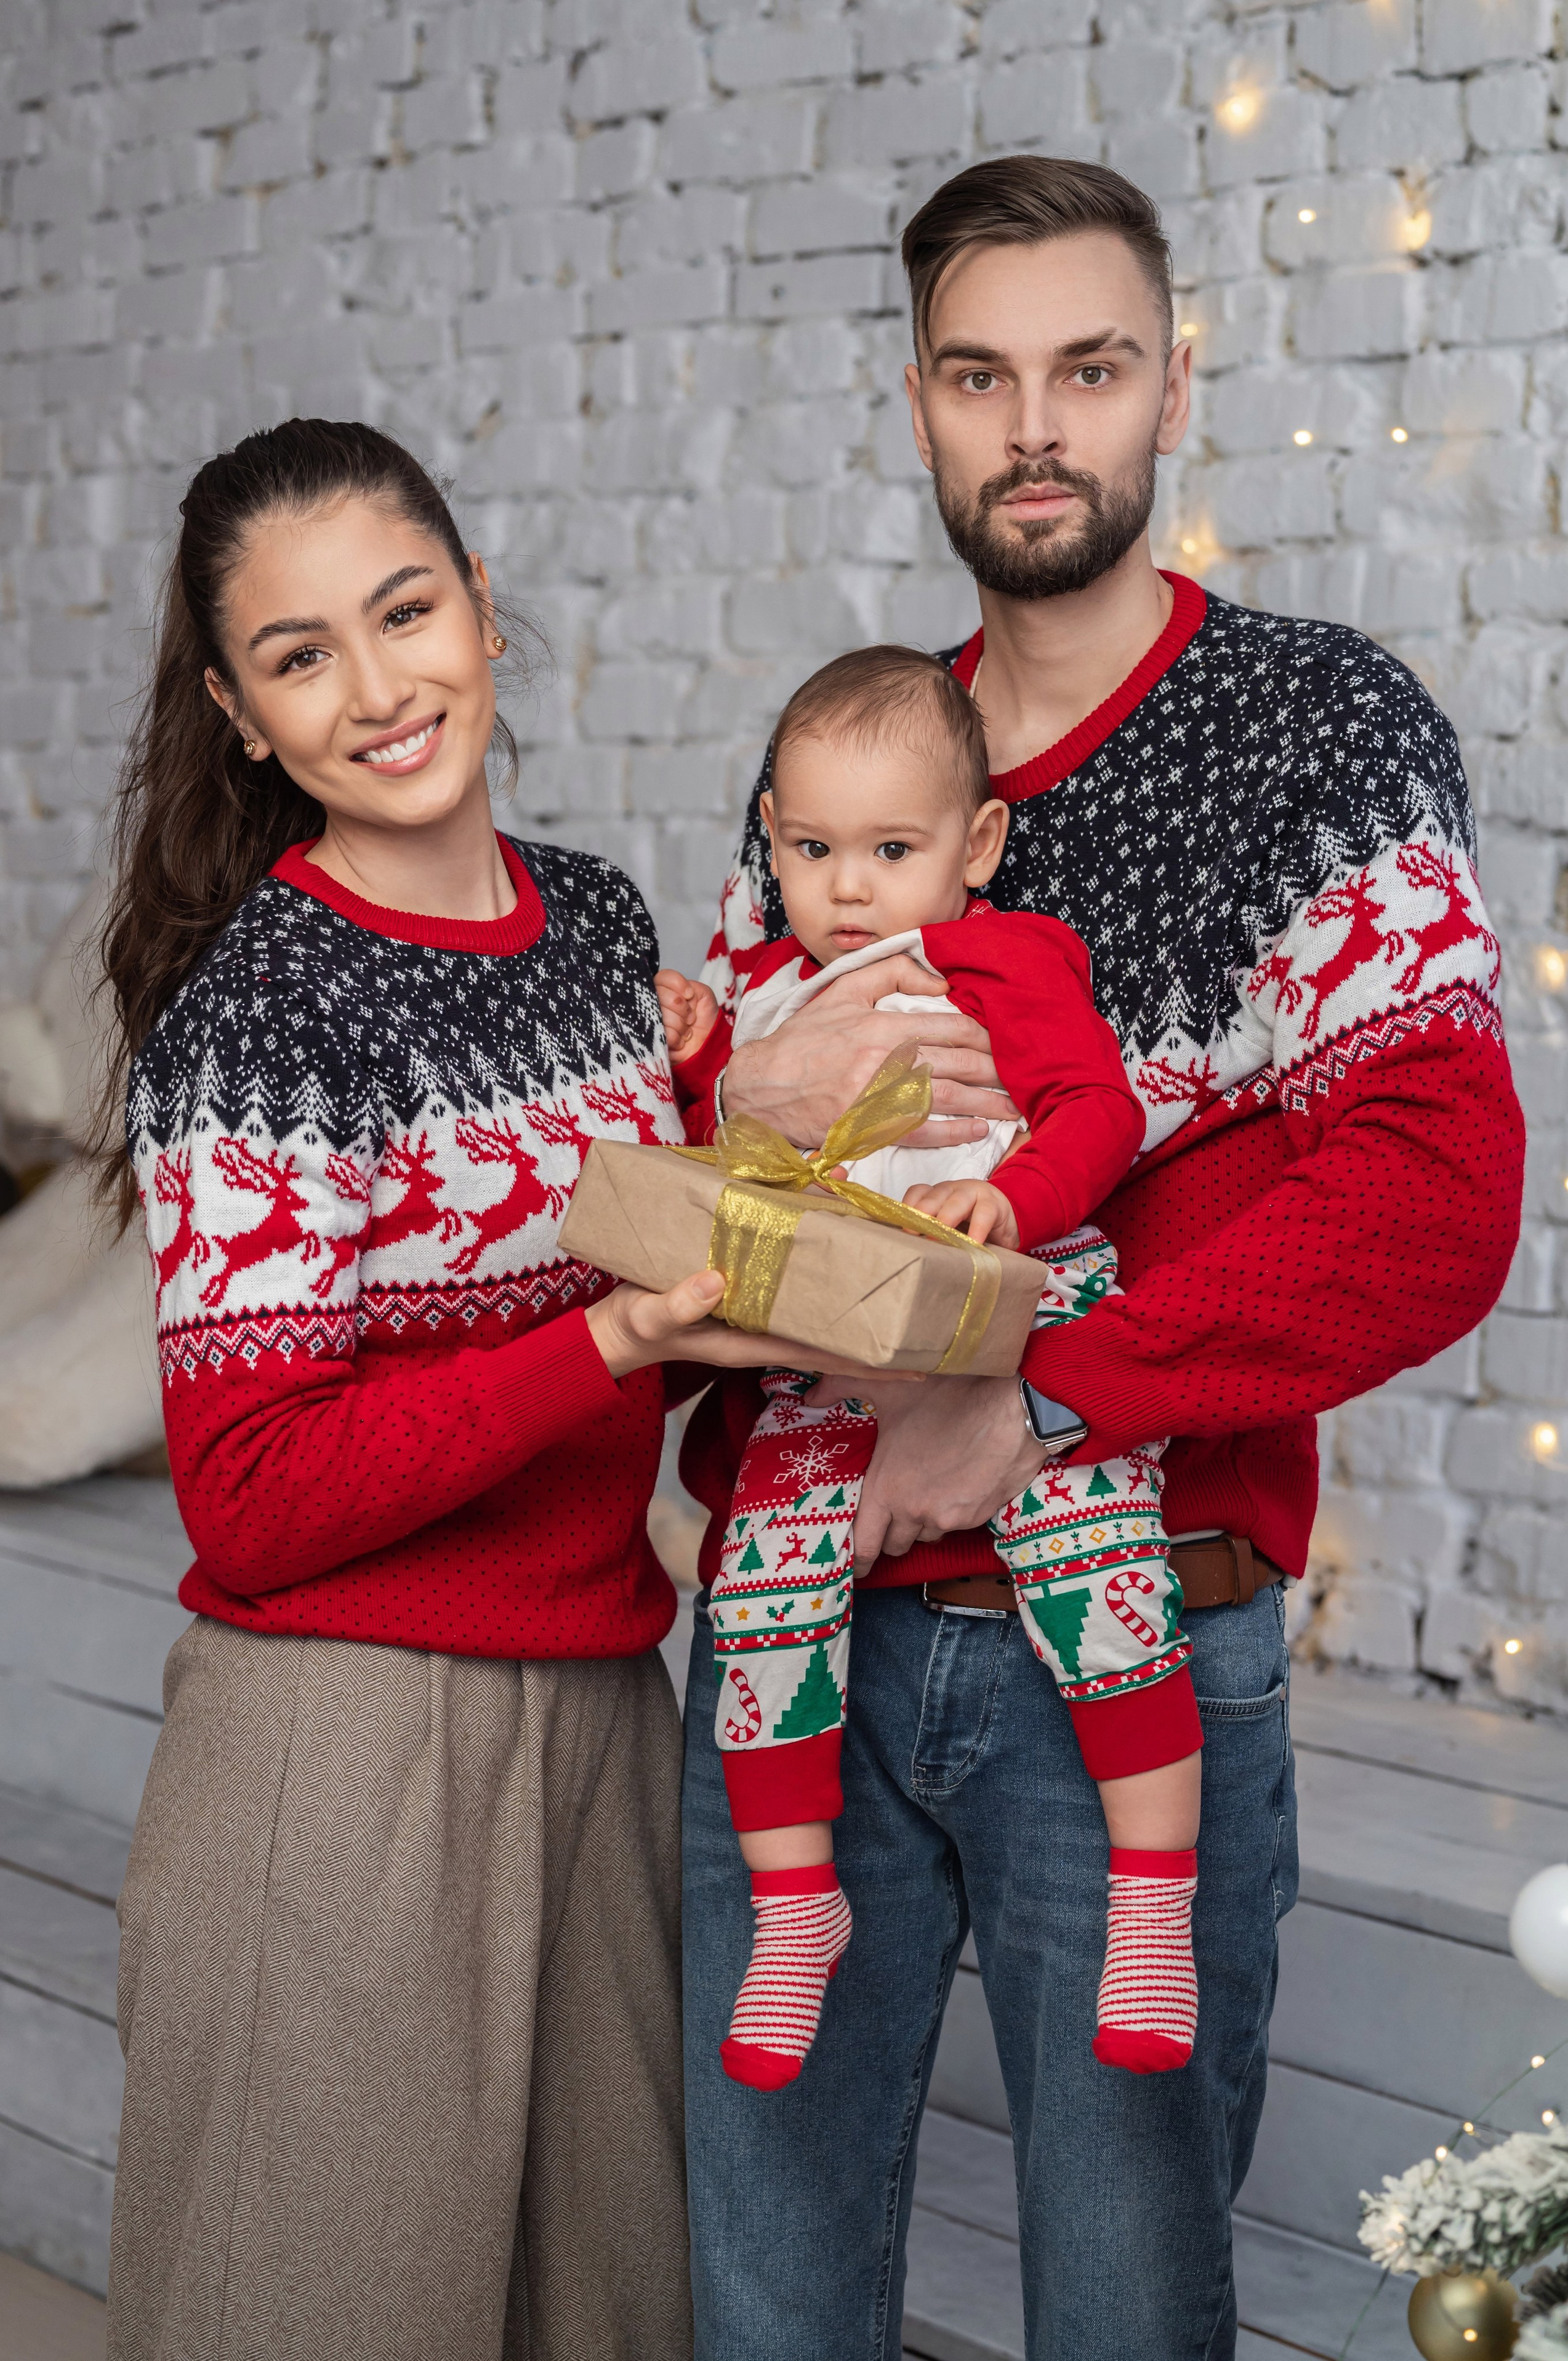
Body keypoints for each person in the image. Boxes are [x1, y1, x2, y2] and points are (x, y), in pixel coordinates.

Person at [677, 158, 1523, 2358]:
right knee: (765, 2295)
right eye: (982, 373)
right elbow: (693, 1193)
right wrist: (728, 1121)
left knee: (1133, 2312)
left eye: (1091, 365)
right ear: (921, 401)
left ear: (1174, 383)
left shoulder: (1317, 732)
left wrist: (1041, 1390)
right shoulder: (847, 770)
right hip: (807, 1636)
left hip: (1142, 1636)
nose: (1035, 424)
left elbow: (1435, 1189)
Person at [92, 417, 885, 2361]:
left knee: (597, 2323)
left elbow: (646, 1252)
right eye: (301, 657)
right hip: (343, 1750)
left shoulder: (609, 929)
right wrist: (611, 1334)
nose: (377, 691)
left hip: (607, 1709)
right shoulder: (259, 1013)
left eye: (404, 612)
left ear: (483, 611)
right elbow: (257, 1494)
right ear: (239, 710)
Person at [660, 642, 1202, 2093]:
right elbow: (711, 1163)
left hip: (1012, 1302)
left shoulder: (1003, 960)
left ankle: (1150, 1896)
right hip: (831, 1349)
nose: (847, 888)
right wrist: (694, 1055)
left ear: (975, 846)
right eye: (812, 849)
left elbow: (1100, 1109)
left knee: (1098, 1559)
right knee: (762, 1581)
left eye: (890, 851)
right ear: (768, 833)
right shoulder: (766, 992)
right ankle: (794, 1904)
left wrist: (1016, 1198)